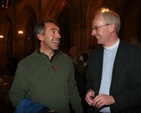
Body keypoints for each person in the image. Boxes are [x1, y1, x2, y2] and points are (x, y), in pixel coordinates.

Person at [9, 19, 83, 113]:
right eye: (53, 32)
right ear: (40, 36)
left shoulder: (66, 60)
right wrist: (39, 110)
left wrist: (79, 110)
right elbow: (15, 96)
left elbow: (72, 90)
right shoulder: (25, 65)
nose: (59, 36)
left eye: (58, 32)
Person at [85, 9, 141, 113]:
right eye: (93, 29)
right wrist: (90, 90)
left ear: (112, 27)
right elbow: (90, 81)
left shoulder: (135, 53)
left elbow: (139, 90)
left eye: (96, 28)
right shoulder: (94, 55)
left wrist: (113, 99)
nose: (93, 33)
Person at [69, 46, 86, 113]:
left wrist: (76, 62)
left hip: (80, 86)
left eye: (76, 52)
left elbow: (82, 71)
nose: (74, 53)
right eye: (73, 51)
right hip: (72, 85)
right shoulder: (68, 61)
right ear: (70, 52)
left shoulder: (79, 62)